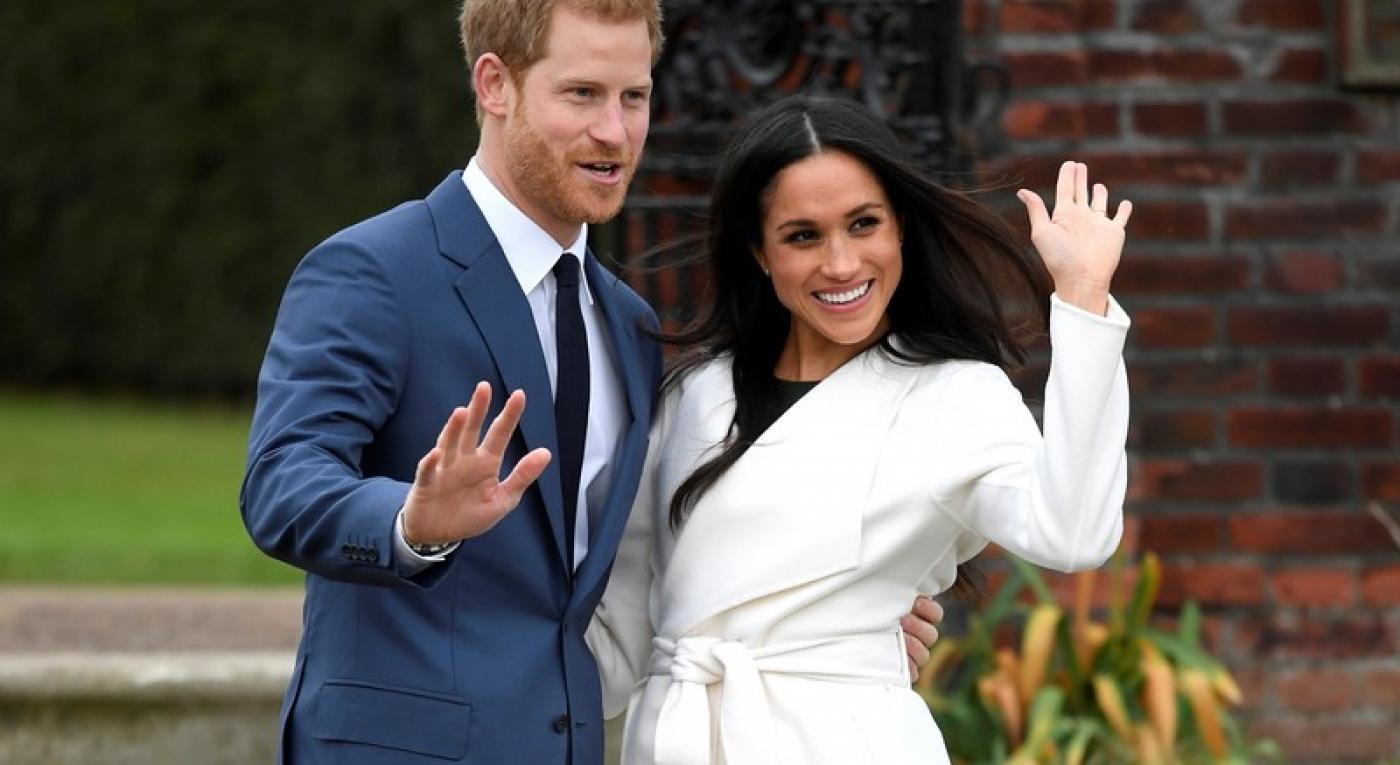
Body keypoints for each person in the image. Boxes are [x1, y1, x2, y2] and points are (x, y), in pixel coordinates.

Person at [240, 3, 938, 763]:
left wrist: (823, 624)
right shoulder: (373, 272)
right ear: (495, 85)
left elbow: (646, 571)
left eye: (632, 97)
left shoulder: (630, 326)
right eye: (582, 95)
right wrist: (413, 522)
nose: (615, 131)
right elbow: (281, 482)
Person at [585, 94, 1134, 764]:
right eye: (803, 235)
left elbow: (1073, 532)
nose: (841, 264)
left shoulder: (954, 396)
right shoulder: (690, 396)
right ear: (759, 251)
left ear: (900, 226)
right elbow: (619, 635)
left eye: (863, 223)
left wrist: (1082, 298)